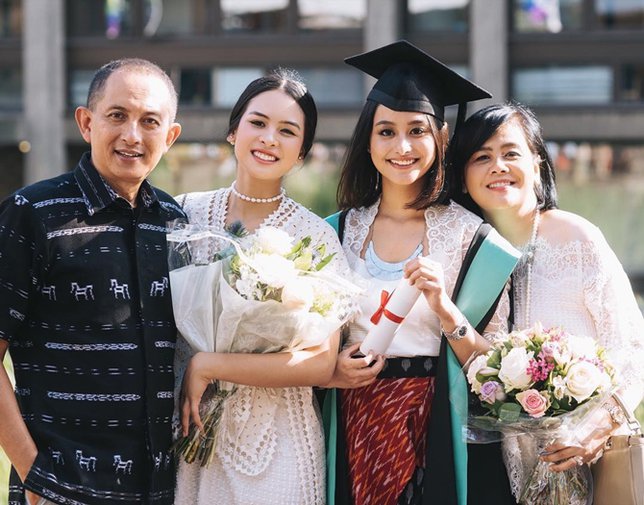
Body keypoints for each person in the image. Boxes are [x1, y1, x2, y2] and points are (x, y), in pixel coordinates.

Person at [323, 40, 516, 505]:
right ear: (368, 140)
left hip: (436, 422)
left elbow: (497, 367)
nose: (402, 146)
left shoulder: (473, 239)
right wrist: (332, 368)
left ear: (441, 139)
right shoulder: (337, 231)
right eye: (386, 131)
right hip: (351, 416)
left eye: (417, 131)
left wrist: (445, 309)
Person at [0, 58, 183, 505]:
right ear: (86, 122)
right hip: (61, 490)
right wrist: (34, 476)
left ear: (170, 136)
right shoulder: (31, 213)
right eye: (117, 115)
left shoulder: (176, 223)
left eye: (150, 121)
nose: (132, 135)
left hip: (163, 490)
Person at [447, 102, 644, 502]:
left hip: (589, 463)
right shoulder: (461, 254)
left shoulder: (578, 239)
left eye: (511, 153)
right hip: (491, 475)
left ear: (537, 166)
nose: (498, 166)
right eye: (481, 157)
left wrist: (595, 430)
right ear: (463, 179)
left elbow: (633, 348)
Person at [173, 68, 349, 505]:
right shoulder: (182, 215)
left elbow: (320, 363)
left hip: (281, 443)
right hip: (193, 431)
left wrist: (209, 365)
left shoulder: (315, 237)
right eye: (258, 123)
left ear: (302, 152)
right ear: (233, 131)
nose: (270, 139)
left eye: (287, 131)